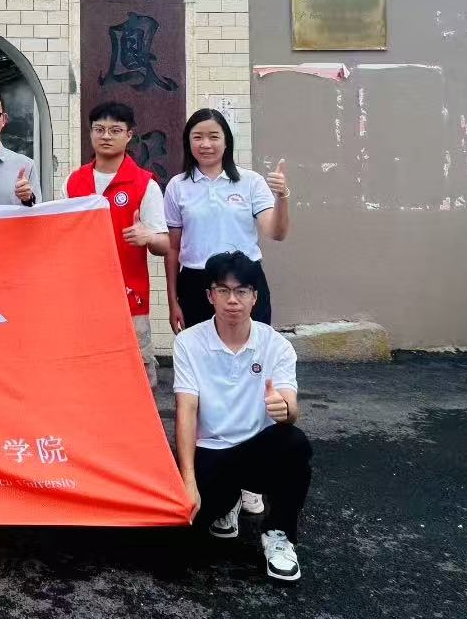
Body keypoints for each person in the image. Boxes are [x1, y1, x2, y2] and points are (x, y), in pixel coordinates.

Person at [172, 250, 311, 582]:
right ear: (210, 296)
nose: (232, 300)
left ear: (254, 297)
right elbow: (186, 410)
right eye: (223, 290)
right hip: (212, 452)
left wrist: (286, 410)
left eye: (241, 291)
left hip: (256, 451)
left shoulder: (276, 346)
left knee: (294, 443)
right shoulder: (189, 343)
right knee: (177, 546)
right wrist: (188, 481)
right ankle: (227, 503)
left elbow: (291, 406)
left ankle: (278, 534)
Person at [64, 101, 168, 387]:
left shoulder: (145, 184)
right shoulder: (74, 182)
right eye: (99, 129)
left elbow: (163, 244)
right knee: (85, 378)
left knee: (136, 381)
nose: (106, 136)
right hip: (83, 299)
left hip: (130, 300)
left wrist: (148, 237)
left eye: (115, 130)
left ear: (129, 135)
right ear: (90, 133)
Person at [163, 108, 289, 333]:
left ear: (226, 142)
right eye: (197, 137)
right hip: (196, 282)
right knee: (202, 350)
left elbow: (276, 232)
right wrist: (173, 301)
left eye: (214, 137)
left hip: (245, 280)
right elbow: (172, 248)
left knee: (253, 348)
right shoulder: (177, 186)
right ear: (188, 142)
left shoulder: (250, 182)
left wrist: (282, 197)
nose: (206, 144)